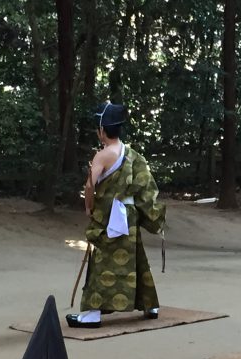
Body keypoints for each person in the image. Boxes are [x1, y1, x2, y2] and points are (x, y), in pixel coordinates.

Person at [66, 102, 166, 328]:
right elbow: (145, 186)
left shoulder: (102, 156)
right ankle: (151, 306)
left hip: (110, 216)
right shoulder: (132, 155)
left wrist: (89, 207)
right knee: (136, 257)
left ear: (102, 130)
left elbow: (90, 186)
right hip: (129, 215)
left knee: (102, 261)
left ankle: (91, 314)